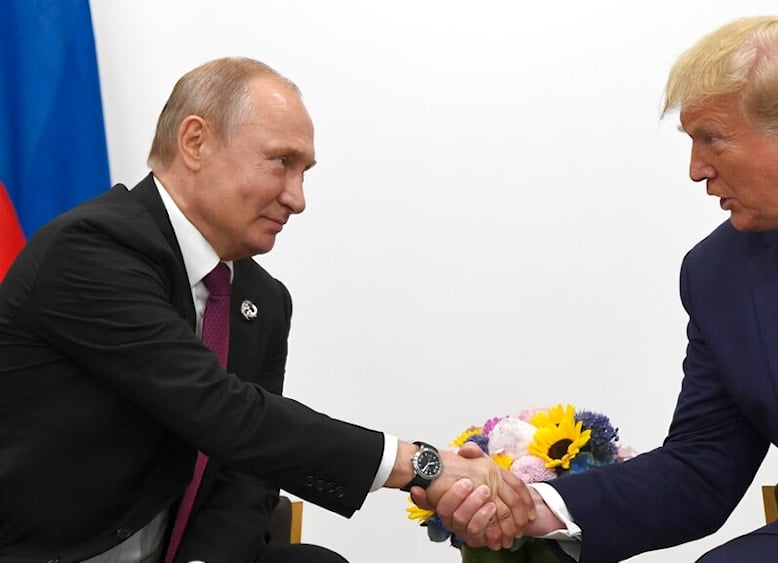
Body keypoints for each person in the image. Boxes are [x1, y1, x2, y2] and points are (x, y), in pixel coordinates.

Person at [418, 15, 778, 563]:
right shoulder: (719, 274)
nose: (697, 169)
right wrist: (538, 509)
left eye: (712, 139)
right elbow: (701, 467)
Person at [0, 57, 533, 563]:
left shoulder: (261, 297)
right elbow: (222, 411)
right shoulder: (92, 249)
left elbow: (244, 470)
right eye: (282, 163)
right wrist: (418, 465)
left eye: (305, 172)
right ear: (195, 142)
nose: (297, 198)